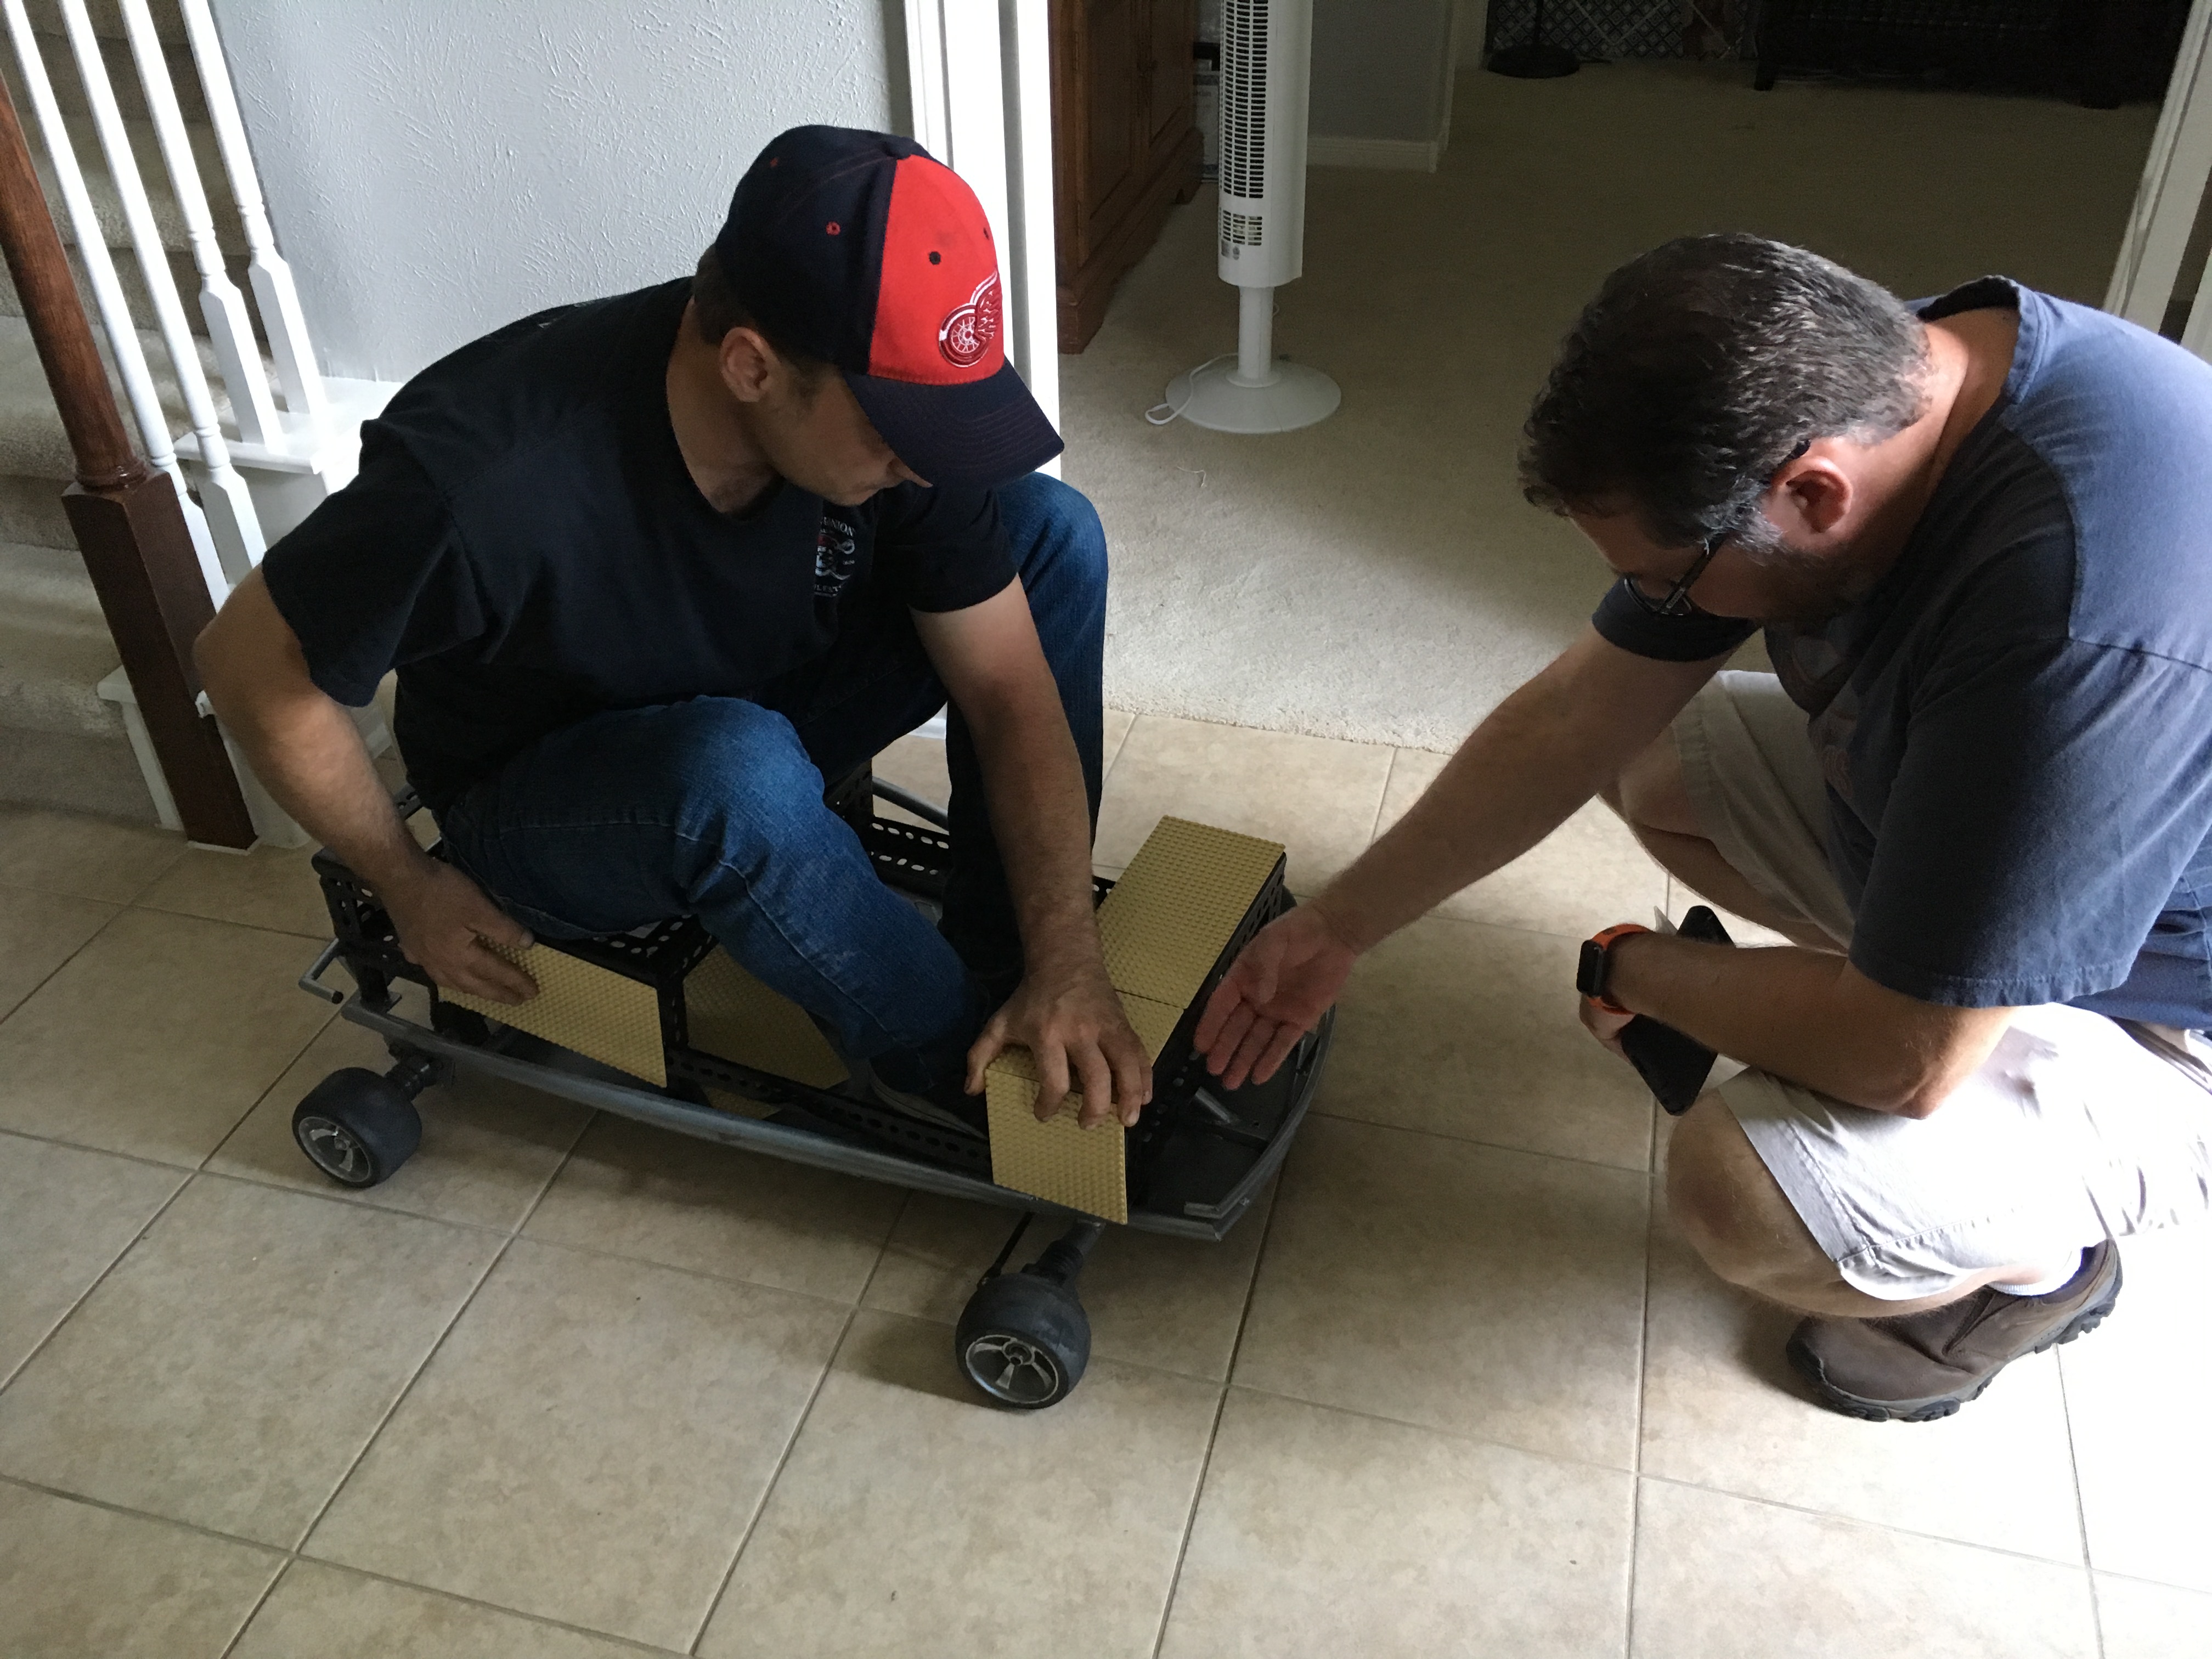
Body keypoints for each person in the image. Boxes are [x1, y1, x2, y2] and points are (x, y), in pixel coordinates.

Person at [1195, 234, 2212, 1421]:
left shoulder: (2069, 627)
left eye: (1670, 581)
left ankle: (2041, 1270)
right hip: (2037, 827)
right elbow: (1578, 716)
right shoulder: (1884, 375)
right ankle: (1927, 975)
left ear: (1815, 497)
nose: (1659, 604)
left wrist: (1635, 970)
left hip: (2170, 1011)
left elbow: (1904, 1061)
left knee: (1743, 1189)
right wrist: (1339, 927)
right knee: (1653, 754)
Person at [196, 126, 1151, 1131]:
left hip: (752, 707)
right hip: (551, 797)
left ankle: (1019, 980)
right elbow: (246, 662)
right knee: (735, 771)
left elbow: (1006, 688)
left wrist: (1067, 961)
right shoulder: (487, 480)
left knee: (1049, 533)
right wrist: (406, 883)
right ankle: (955, 1070)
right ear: (751, 367)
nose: (921, 464)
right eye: (897, 434)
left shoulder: (865, 405)